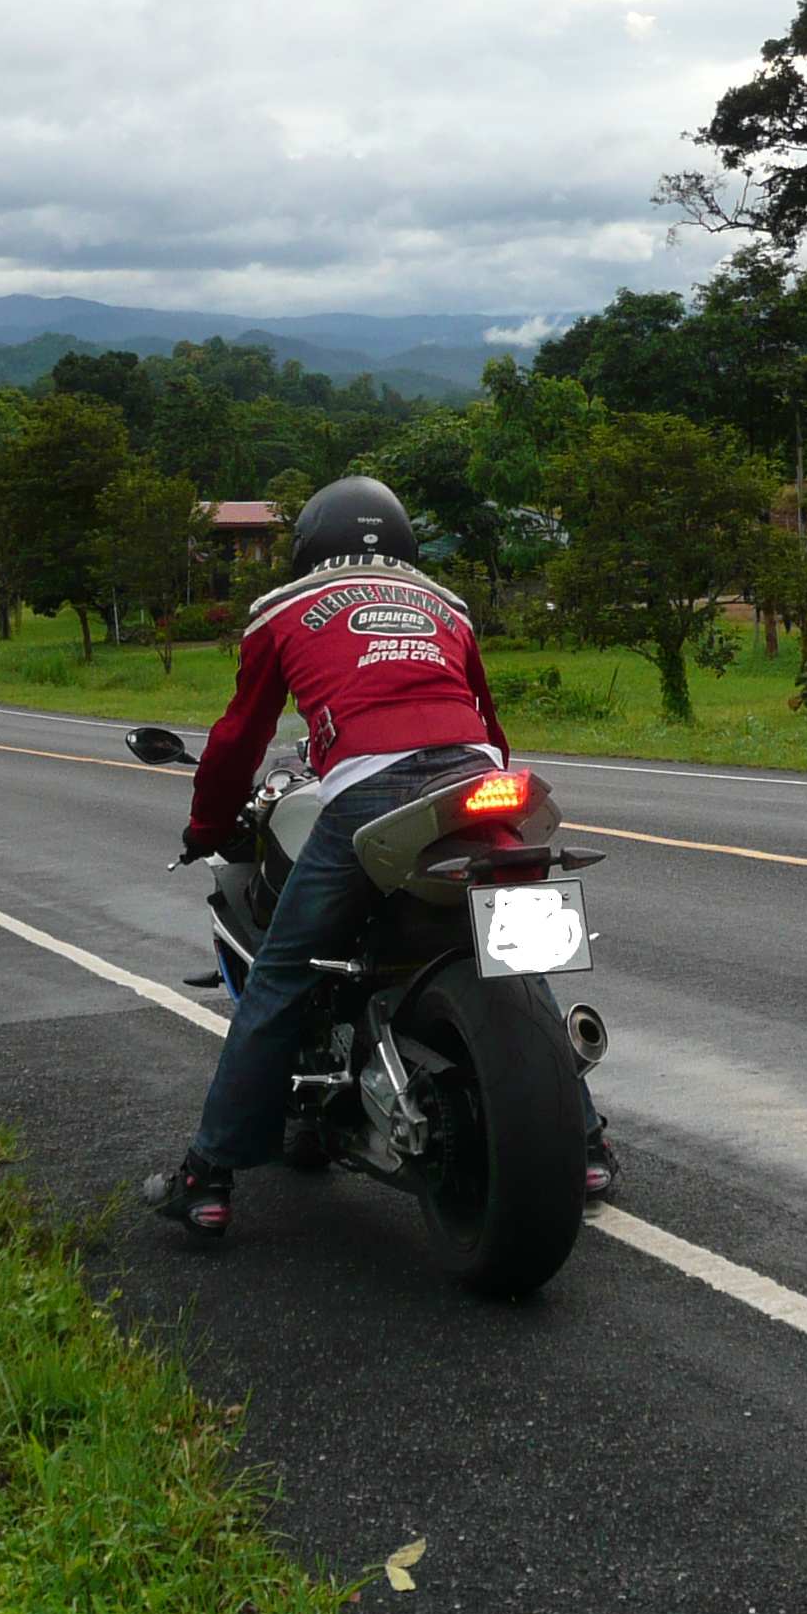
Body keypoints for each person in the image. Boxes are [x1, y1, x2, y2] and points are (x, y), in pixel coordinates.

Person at [146, 476, 615, 1239]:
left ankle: (209, 1176)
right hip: (478, 783)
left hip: (371, 790)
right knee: (508, 956)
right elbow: (488, 721)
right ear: (404, 542)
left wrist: (205, 826)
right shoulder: (447, 606)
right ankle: (586, 1148)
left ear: (308, 546)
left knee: (281, 977)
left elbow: (237, 740)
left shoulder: (284, 608)